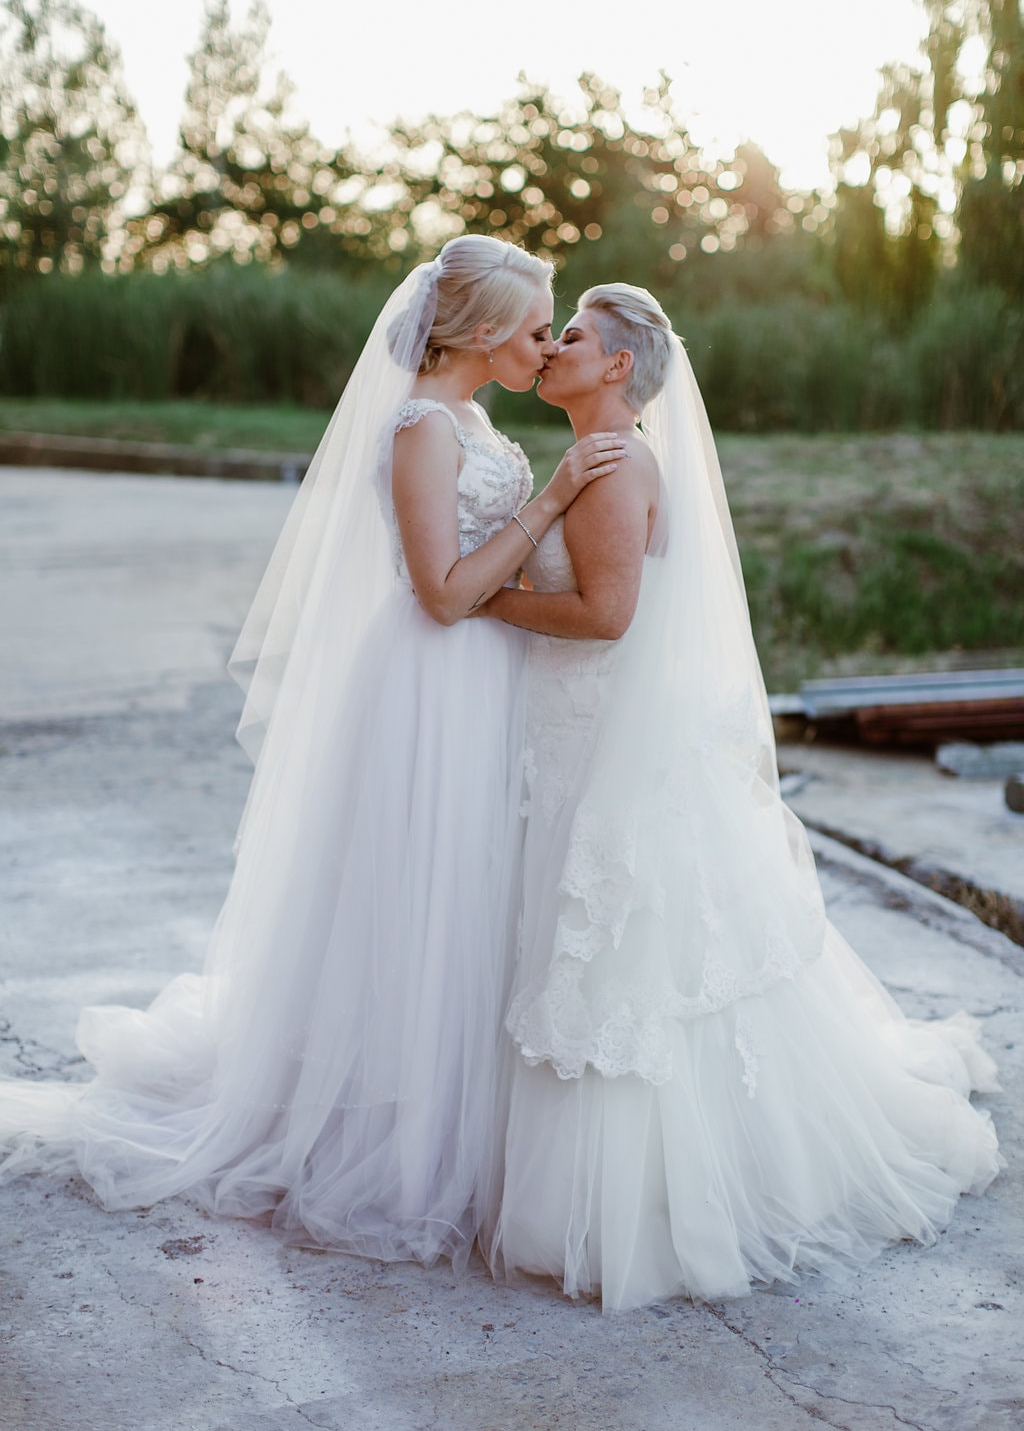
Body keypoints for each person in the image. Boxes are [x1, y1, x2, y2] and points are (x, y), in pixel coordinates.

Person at [0, 235, 625, 1273]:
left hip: (485, 680)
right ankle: (387, 1142)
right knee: (419, 897)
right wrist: (550, 500)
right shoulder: (422, 427)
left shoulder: (472, 418)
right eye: (530, 327)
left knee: (472, 899)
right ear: (478, 334)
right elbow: (440, 590)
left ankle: (465, 1128)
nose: (542, 342)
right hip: (428, 684)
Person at [477, 283, 1002, 1312]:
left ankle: (653, 1196)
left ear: (619, 366)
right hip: (582, 732)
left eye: (571, 336)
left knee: (630, 959)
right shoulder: (594, 458)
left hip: (606, 741)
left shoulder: (617, 467)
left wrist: (479, 594)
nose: (554, 349)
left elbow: (608, 615)